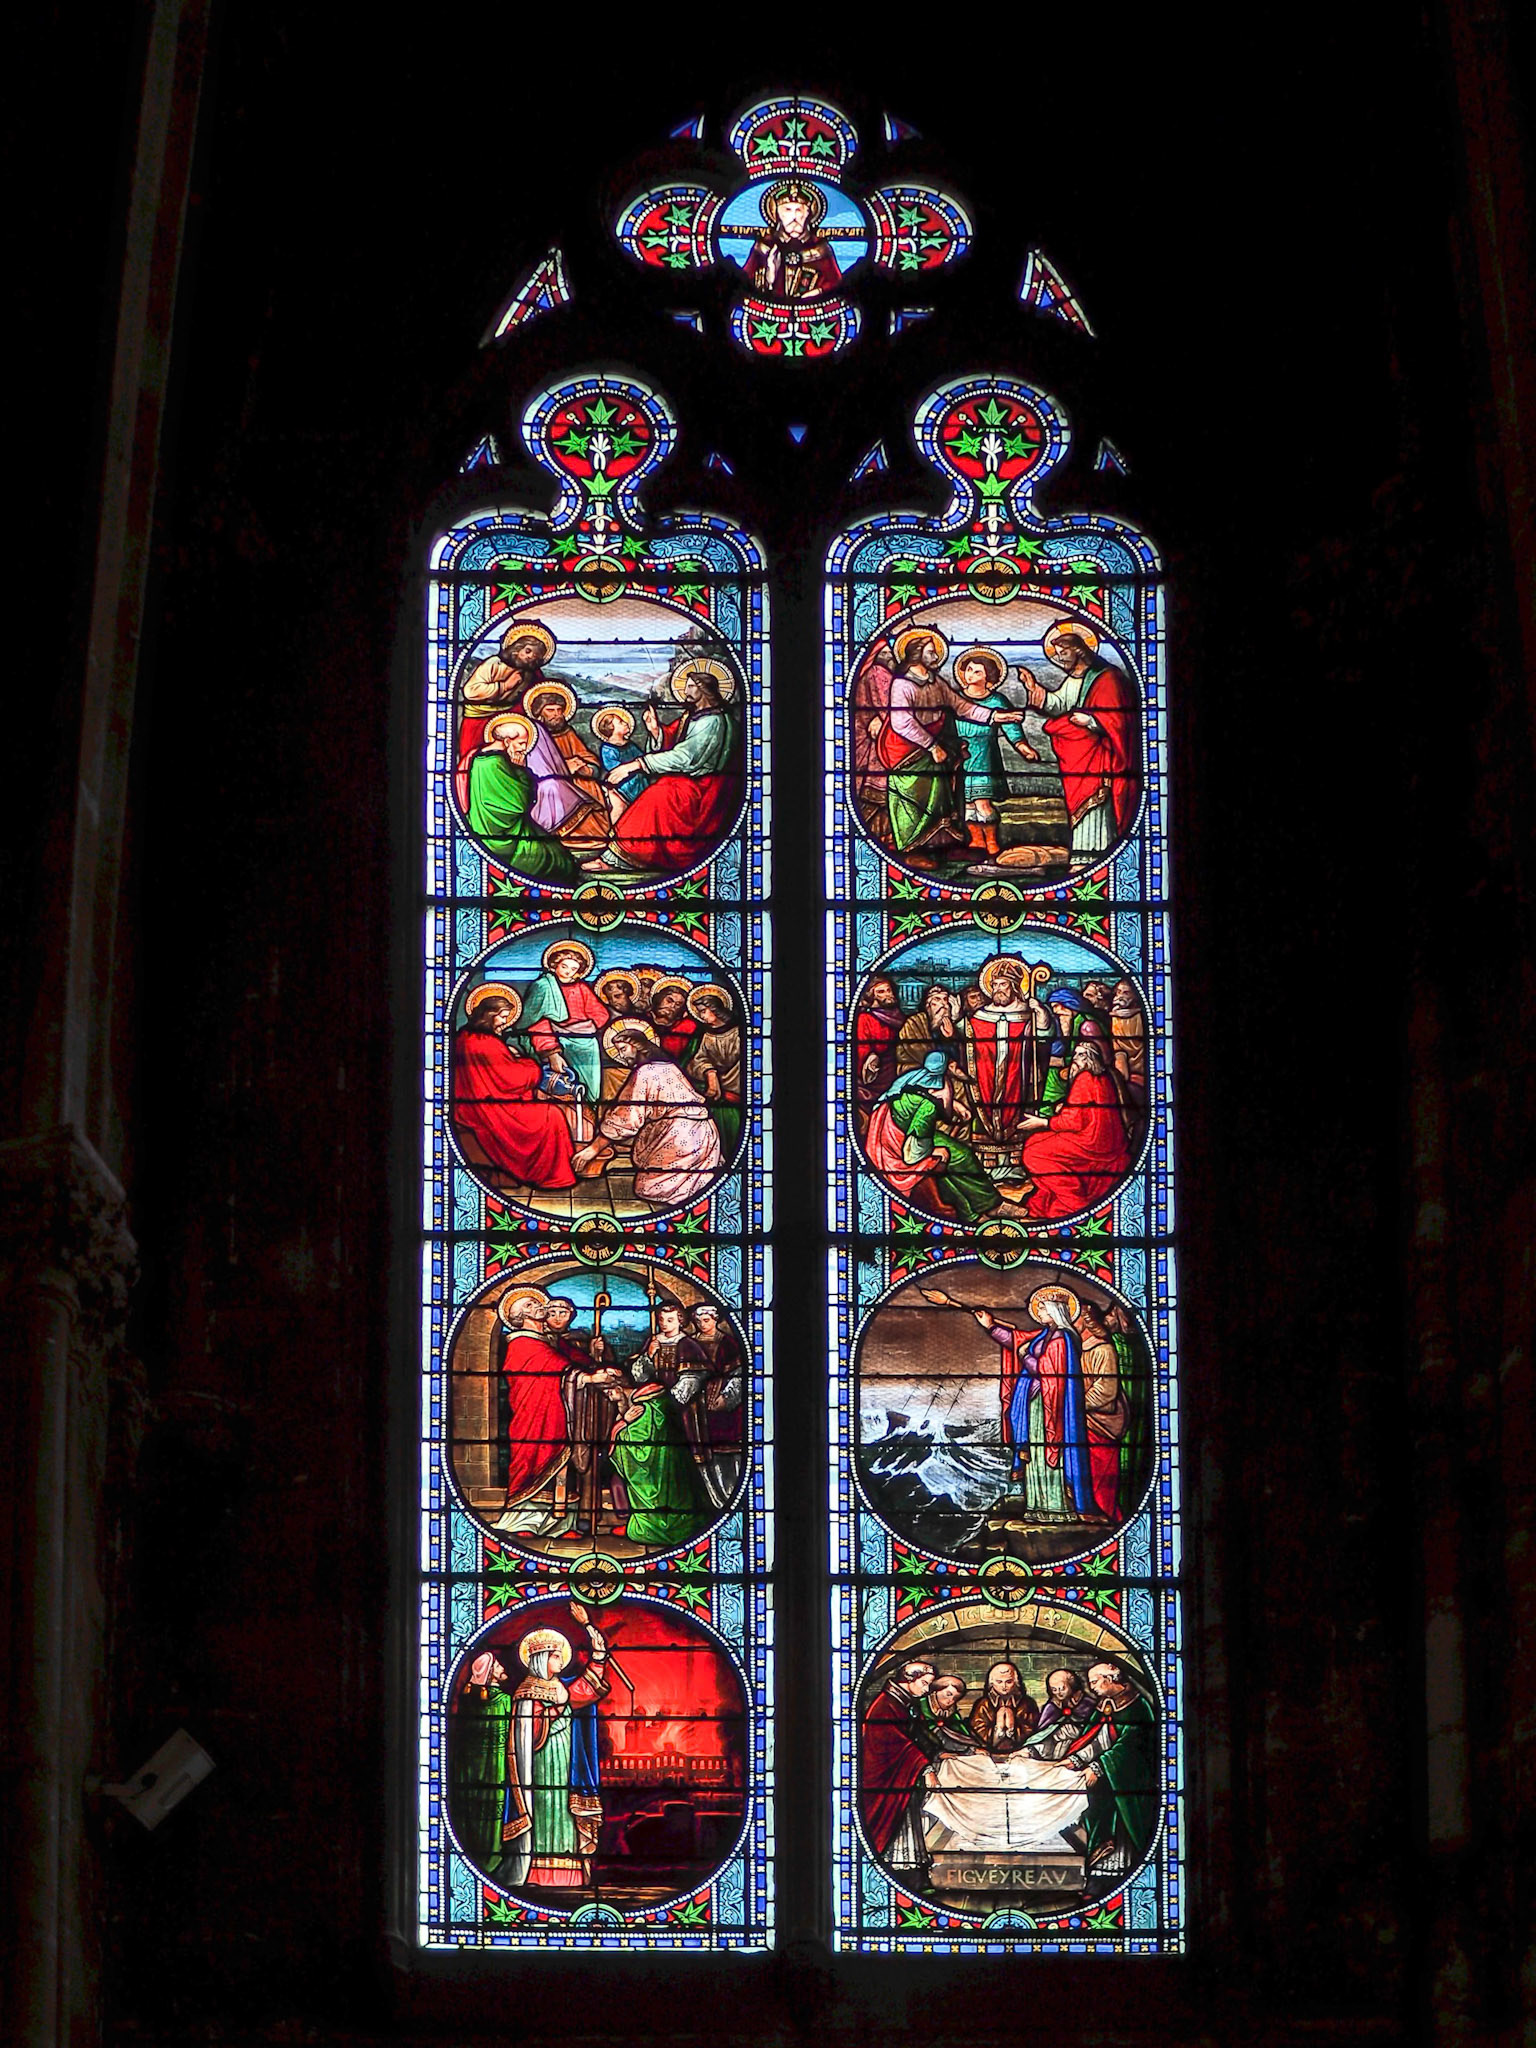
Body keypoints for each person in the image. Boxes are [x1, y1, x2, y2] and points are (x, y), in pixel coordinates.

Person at [968, 1283, 1099, 1524]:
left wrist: (1025, 1356)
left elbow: (1045, 1370)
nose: (1039, 1312)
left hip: (1050, 1405)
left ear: (1056, 1310)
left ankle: (1055, 1508)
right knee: (1036, 1454)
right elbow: (1016, 1340)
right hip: (1037, 1400)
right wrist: (990, 1326)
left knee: (1046, 1449)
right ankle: (1037, 1506)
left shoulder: (1061, 1339)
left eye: (1043, 1308)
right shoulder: (1045, 1334)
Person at [602, 661, 741, 874]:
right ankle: (625, 852)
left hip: (705, 789)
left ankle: (626, 855)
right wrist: (656, 730)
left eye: (692, 686)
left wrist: (636, 765)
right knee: (661, 788)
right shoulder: (693, 716)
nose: (686, 690)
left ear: (704, 690)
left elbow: (685, 756)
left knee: (659, 794)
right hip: (690, 781)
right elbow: (672, 739)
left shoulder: (712, 721)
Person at [503, 1616, 611, 1888]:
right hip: (540, 1763)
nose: (560, 1662)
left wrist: (598, 1655)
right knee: (546, 1809)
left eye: (560, 1657)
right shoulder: (526, 1693)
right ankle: (538, 1873)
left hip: (564, 1763)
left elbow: (585, 1690)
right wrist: (550, 1714)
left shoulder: (561, 1687)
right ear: (539, 1659)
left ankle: (570, 1876)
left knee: (564, 1812)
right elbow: (526, 1737)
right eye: (554, 1657)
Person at [1022, 621, 1139, 866]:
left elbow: (1121, 720)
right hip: (1080, 757)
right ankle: (1082, 857)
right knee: (1081, 808)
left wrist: (1093, 720)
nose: (1059, 656)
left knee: (1098, 804)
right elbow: (1058, 704)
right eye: (1056, 651)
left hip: (1103, 758)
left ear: (1079, 649)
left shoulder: (1109, 678)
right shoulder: (1076, 678)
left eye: (1063, 651)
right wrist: (1034, 689)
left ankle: (1101, 854)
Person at [575, 1024, 724, 1205]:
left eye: (623, 1049)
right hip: (705, 1135)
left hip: (680, 1135)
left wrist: (593, 1149)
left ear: (637, 1046)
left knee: (648, 1189)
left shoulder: (646, 1072)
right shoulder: (669, 1067)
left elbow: (626, 1118)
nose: (621, 1055)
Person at [451, 985, 578, 1189]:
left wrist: (508, 1054)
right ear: (488, 1015)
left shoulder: (464, 1037)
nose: (505, 1022)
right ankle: (550, 1177)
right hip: (491, 1108)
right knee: (551, 1115)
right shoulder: (486, 1043)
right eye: (502, 1017)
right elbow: (512, 1079)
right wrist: (531, 1065)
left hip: (472, 1105)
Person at [862, 1050, 1002, 1223]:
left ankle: (974, 1212)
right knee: (958, 1157)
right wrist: (935, 1151)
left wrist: (955, 1106)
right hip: (897, 1144)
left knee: (953, 1159)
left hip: (898, 1131)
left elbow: (930, 1098)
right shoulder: (927, 1107)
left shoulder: (913, 1080)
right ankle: (989, 1206)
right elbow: (913, 1151)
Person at [1057, 1659, 1158, 1881]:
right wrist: (1075, 1759)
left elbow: (1128, 1747)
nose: (1092, 1687)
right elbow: (1098, 1739)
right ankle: (1097, 1868)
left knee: (1120, 1830)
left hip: (1128, 1785)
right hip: (1106, 1781)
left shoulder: (1139, 1708)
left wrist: (1099, 1767)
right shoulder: (1105, 1705)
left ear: (1110, 1678)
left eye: (1095, 1682)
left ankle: (1117, 1874)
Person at [1018, 1039, 1136, 1219]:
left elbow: (1074, 1122)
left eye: (1080, 1055)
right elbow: (1084, 1113)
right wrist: (1062, 1111)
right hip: (1105, 1140)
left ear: (1090, 1059)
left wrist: (1043, 1122)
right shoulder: (1102, 1078)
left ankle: (1074, 1201)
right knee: (1036, 1142)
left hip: (1091, 1142)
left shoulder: (1085, 1078)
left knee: (1033, 1153)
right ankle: (1051, 1195)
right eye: (1075, 1054)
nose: (1075, 1059)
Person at [454, 619, 559, 810]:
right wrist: (505, 686)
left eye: (536, 656)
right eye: (527, 651)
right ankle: (472, 806)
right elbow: (471, 691)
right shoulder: (493, 664)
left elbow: (536, 696)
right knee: (473, 763)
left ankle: (507, 801)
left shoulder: (531, 674)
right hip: (478, 720)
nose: (530, 658)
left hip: (509, 721)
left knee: (508, 764)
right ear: (515, 648)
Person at [464, 714, 580, 884]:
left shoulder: (482, 758)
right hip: (501, 834)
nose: (524, 748)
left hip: (497, 826)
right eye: (521, 743)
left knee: (555, 851)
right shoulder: (495, 763)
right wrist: (522, 770)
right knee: (557, 862)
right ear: (506, 741)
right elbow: (518, 803)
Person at [494, 1287, 576, 1524]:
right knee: (529, 1458)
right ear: (520, 1317)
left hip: (555, 1412)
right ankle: (520, 1521)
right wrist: (585, 1377)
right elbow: (557, 1368)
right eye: (529, 1305)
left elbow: (564, 1365)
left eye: (537, 1303)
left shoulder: (548, 1342)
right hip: (532, 1416)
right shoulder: (522, 1344)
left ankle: (559, 1523)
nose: (538, 1306)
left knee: (561, 1465)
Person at [602, 1370, 709, 1547]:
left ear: (619, 1388)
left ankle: (654, 1527)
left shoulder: (644, 1407)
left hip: (660, 1465)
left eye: (609, 1392)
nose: (609, 1397)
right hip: (671, 1459)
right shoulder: (650, 1400)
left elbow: (639, 1448)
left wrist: (623, 1424)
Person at [953, 645, 1037, 860]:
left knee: (983, 802)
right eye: (969, 669)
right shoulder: (954, 699)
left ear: (989, 676)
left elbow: (1011, 726)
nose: (971, 674)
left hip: (984, 757)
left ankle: (991, 840)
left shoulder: (997, 701)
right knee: (969, 804)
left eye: (977, 671)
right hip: (960, 757)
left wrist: (1021, 746)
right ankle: (976, 840)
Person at [859, 1659, 937, 1881]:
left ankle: (912, 1871)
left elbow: (916, 1738)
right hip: (884, 1781)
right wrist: (924, 1766)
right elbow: (895, 1742)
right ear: (908, 1680)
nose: (926, 1688)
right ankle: (903, 1874)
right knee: (894, 1827)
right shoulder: (886, 1705)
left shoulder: (901, 1703)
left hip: (900, 1779)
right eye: (924, 1682)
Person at [964, 955, 1054, 1143]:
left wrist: (1041, 1014)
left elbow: (1044, 1038)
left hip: (1020, 1074)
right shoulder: (982, 1014)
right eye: (994, 985)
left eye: (1002, 985)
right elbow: (967, 1037)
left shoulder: (1027, 1012)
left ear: (1013, 986)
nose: (997, 990)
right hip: (985, 1075)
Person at [516, 940, 610, 1108]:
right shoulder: (543, 987)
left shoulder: (581, 987)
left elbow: (600, 1013)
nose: (568, 972)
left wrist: (586, 1026)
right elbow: (535, 1021)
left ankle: (591, 1111)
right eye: (564, 966)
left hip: (586, 1041)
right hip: (556, 1039)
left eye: (573, 969)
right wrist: (551, 1050)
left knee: (591, 1086)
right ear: (554, 965)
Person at [451, 1652, 515, 1872]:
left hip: (467, 1771)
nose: (501, 1668)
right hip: (494, 1769)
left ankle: (474, 1855)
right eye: (497, 1665)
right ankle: (491, 1857)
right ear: (489, 1674)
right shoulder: (505, 1701)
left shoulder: (467, 1702)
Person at [524, 684, 608, 849]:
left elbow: (587, 757)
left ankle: (595, 838)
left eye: (559, 710)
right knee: (565, 788)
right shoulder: (533, 735)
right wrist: (563, 767)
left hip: (574, 779)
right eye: (550, 710)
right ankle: (568, 838)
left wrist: (587, 768)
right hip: (546, 783)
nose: (556, 714)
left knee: (590, 785)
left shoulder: (567, 733)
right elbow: (531, 765)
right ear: (539, 712)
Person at [683, 1301, 745, 1506]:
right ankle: (707, 1501)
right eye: (698, 1321)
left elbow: (739, 1375)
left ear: (716, 1319)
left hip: (723, 1409)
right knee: (699, 1456)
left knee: (725, 1456)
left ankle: (727, 1499)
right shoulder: (689, 1343)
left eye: (706, 1320)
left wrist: (727, 1398)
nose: (702, 1324)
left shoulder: (728, 1343)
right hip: (695, 1408)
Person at [1076, 1296, 1131, 1521]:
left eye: (1077, 1317)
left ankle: (1108, 1517)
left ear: (1088, 1321)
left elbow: (1107, 1390)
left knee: (1101, 1475)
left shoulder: (1103, 1349)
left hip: (1103, 1422)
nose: (1072, 1321)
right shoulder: (1079, 1349)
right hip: (1085, 1419)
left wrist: (1077, 1404)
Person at [743, 179, 841, 300]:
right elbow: (743, 286)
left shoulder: (820, 248)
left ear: (808, 213)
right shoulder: (764, 246)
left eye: (799, 210)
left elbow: (837, 286)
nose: (794, 217)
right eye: (787, 210)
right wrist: (769, 278)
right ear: (776, 213)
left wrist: (819, 292)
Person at [685, 986, 743, 1155]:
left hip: (736, 1092)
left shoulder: (741, 1032)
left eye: (704, 1011)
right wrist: (710, 1073)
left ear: (716, 1009)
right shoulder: (705, 1034)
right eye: (699, 1012)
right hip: (714, 1096)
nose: (702, 1016)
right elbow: (696, 1061)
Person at [855, 976, 906, 1109]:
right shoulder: (865, 1019)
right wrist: (870, 1058)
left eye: (889, 990)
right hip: (877, 1075)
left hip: (897, 1068)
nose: (888, 994)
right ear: (872, 995)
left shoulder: (898, 1016)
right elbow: (861, 1049)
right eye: (881, 992)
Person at [966, 1661, 1040, 1754]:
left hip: (1021, 1754)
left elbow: (1034, 1731)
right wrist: (998, 1729)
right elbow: (977, 1731)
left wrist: (1011, 1728)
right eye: (999, 1682)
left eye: (1008, 1682)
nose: (1004, 1686)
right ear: (991, 1683)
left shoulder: (1027, 1703)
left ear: (1016, 1682)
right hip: (987, 1754)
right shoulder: (983, 1704)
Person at [648, 976, 700, 1063]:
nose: (672, 1006)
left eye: (678, 1004)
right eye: (669, 1000)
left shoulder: (687, 1029)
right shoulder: (639, 1020)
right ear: (659, 998)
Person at [1036, 1667, 1095, 1735]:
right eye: (1054, 1690)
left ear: (1071, 1685)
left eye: (1062, 1689)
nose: (1059, 1692)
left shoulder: (1087, 1703)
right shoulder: (1052, 1706)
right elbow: (1041, 1730)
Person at [591, 705, 644, 777]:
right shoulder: (608, 750)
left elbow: (643, 758)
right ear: (611, 727)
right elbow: (614, 769)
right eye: (621, 722)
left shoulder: (630, 745)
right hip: (622, 784)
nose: (625, 723)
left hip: (640, 781)